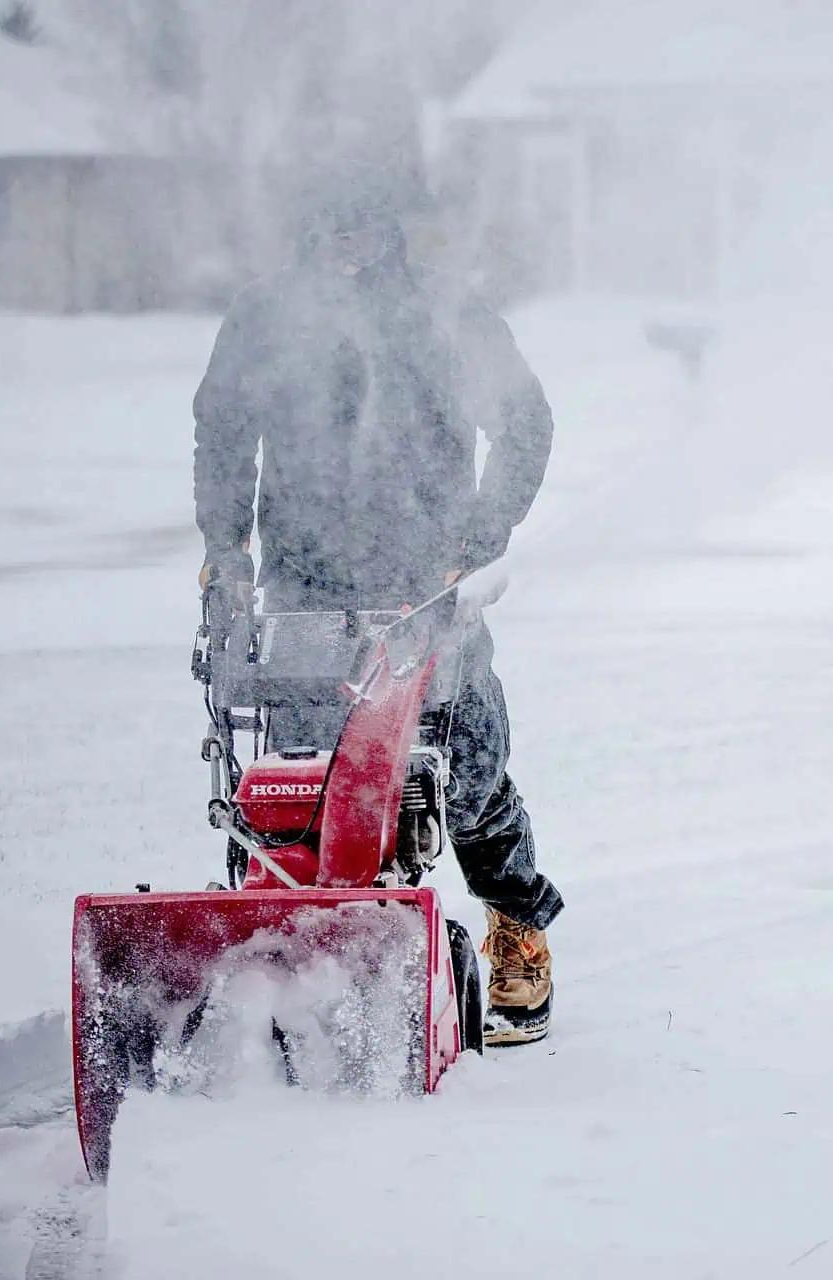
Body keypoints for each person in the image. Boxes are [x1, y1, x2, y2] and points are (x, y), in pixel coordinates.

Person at [191, 188, 560, 1045]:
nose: (347, 245)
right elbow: (222, 431)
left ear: (389, 230)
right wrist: (226, 551)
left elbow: (525, 425)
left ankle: (516, 925)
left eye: (362, 227)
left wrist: (475, 543)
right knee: (301, 779)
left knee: (462, 766)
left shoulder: (445, 314)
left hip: (425, 582)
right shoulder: (266, 320)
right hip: (303, 586)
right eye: (331, 227)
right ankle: (289, 949)